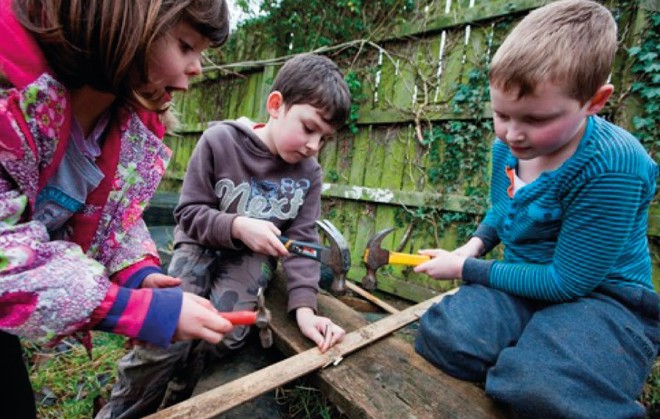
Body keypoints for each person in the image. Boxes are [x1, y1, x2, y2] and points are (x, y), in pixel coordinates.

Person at [412, 1, 659, 417]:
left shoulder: (614, 165)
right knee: (443, 334)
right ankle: (540, 355)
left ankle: (553, 371)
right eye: (501, 114)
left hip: (603, 300)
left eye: (535, 119)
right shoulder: (507, 147)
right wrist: (471, 248)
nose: (512, 134)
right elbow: (503, 210)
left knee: (540, 390)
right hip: (524, 286)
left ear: (594, 101)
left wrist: (465, 271)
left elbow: (567, 282)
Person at [0, 0, 236, 416]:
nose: (198, 67)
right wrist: (132, 310)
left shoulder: (117, 126)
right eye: (186, 46)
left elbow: (109, 217)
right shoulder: (10, 99)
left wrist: (136, 273)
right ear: (125, 21)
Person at [98, 53, 351, 418]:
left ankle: (178, 398)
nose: (314, 146)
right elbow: (188, 213)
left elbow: (302, 239)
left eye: (324, 138)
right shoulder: (220, 141)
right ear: (276, 105)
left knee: (225, 333)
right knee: (165, 333)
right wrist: (236, 226)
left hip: (251, 259)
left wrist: (306, 309)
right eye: (309, 128)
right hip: (200, 244)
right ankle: (121, 409)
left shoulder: (308, 172)